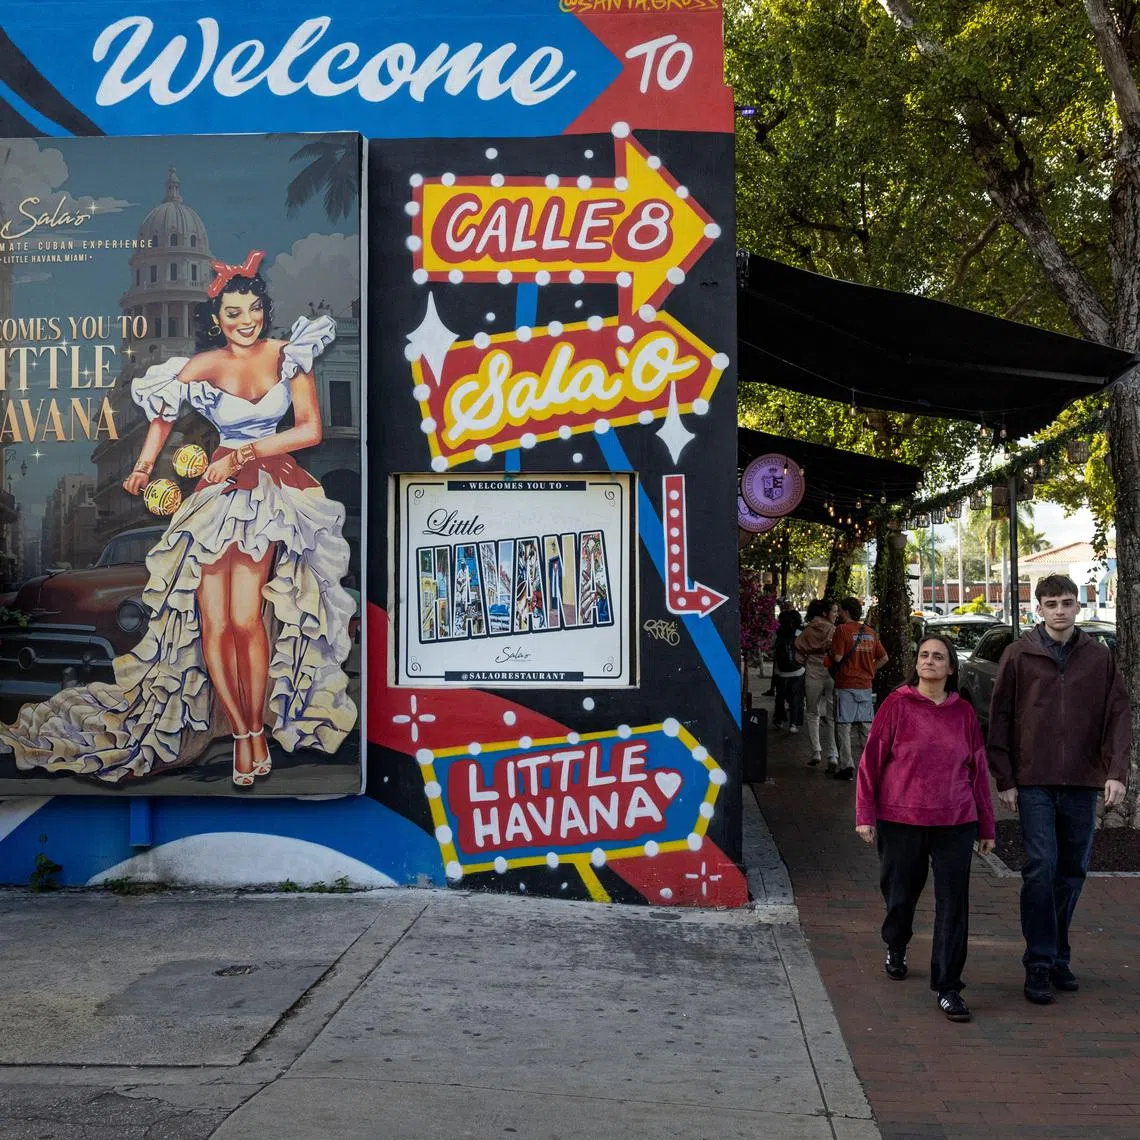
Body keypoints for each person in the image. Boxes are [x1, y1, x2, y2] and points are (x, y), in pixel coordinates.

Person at [0, 250, 357, 787]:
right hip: (215, 494)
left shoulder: (291, 355)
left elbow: (309, 430)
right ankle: (239, 733)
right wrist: (143, 467)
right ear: (216, 319)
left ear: (264, 309)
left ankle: (256, 731)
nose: (245, 320)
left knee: (246, 620)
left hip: (268, 492)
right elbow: (162, 418)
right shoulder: (201, 367)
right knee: (214, 622)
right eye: (233, 313)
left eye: (253, 309)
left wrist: (246, 453)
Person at [987, 573, 1131, 1005]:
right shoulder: (1018, 654)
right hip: (1033, 782)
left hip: (1084, 782)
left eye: (1067, 603)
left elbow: (1118, 715)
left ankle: (1058, 955)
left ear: (1079, 607)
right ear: (1039, 609)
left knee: (1071, 871)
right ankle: (1039, 962)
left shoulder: (1099, 656)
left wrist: (1116, 771)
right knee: (1040, 868)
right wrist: (1005, 778)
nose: (1060, 611)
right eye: (1051, 604)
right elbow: (1000, 720)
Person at [856, 635, 995, 1022]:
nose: (929, 661)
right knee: (900, 894)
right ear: (915, 663)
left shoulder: (964, 713)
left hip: (956, 820)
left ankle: (949, 986)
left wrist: (986, 824)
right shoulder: (896, 705)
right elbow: (870, 763)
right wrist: (864, 814)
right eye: (923, 655)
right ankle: (896, 942)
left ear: (951, 667)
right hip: (901, 819)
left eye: (938, 657)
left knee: (954, 905)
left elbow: (978, 771)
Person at [830, 597, 888, 780]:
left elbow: (838, 658)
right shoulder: (870, 632)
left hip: (846, 685)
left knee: (843, 726)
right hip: (865, 686)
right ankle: (873, 765)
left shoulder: (842, 630)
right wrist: (870, 670)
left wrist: (828, 653)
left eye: (840, 610)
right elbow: (884, 658)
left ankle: (846, 766)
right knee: (865, 726)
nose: (838, 613)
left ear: (846, 611)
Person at [796, 598, 839, 769]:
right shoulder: (834, 630)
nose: (836, 615)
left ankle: (816, 751)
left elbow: (798, 648)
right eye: (834, 611)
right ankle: (833, 754)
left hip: (813, 672)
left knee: (812, 713)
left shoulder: (809, 630)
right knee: (832, 715)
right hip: (831, 673)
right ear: (825, 613)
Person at [771, 608, 805, 734]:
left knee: (780, 696)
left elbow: (772, 648)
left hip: (781, 671)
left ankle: (779, 719)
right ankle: (794, 723)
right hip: (798, 670)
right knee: (796, 697)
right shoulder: (800, 633)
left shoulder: (778, 633)